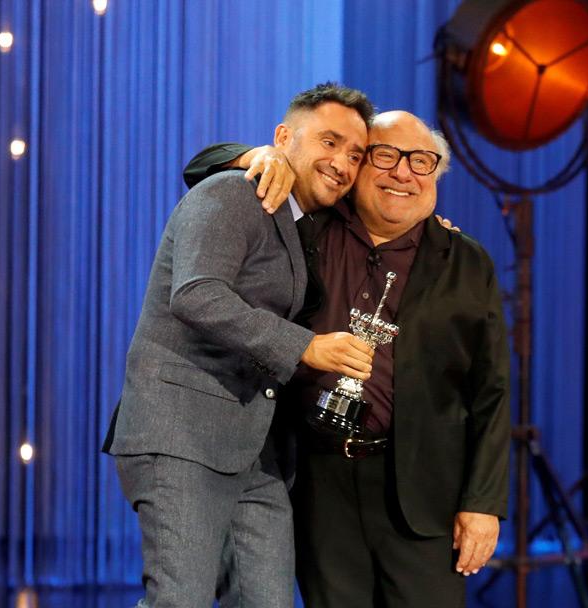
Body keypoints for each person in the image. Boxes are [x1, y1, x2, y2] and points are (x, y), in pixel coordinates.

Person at [183, 111, 511, 607]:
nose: (404, 173)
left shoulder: (467, 261)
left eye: (422, 162)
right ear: (357, 169)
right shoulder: (309, 230)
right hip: (319, 484)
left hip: (424, 496)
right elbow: (199, 168)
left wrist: (483, 504)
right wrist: (258, 155)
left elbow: (492, 391)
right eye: (386, 156)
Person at [102, 83, 377, 608]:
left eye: (355, 154)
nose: (342, 162)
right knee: (179, 600)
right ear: (282, 137)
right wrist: (305, 348)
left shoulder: (302, 222)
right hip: (182, 433)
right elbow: (197, 294)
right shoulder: (235, 191)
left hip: (257, 449)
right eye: (329, 141)